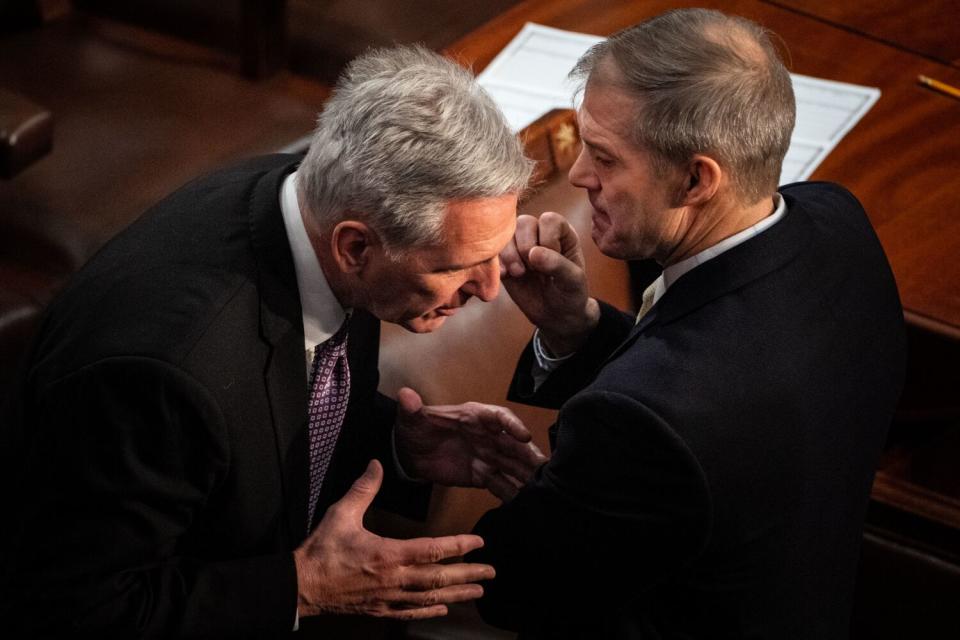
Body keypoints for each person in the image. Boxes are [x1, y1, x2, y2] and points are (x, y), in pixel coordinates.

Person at [0, 45, 545, 637]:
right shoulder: (161, 376)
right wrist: (302, 588)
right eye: (462, 266)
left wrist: (392, 442)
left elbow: (274, 410)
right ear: (355, 248)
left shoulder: (312, 203)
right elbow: (74, 608)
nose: (490, 290)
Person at [470, 8, 906, 639]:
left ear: (698, 178)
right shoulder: (838, 224)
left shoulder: (649, 423)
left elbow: (513, 586)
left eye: (605, 158)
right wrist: (579, 328)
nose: (577, 176)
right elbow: (718, 375)